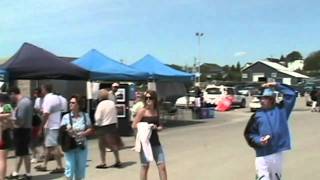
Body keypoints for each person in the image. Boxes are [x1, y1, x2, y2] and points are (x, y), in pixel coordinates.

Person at [244, 82, 297, 180]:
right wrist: (259, 140)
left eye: (264, 98)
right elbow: (249, 134)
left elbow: (291, 94)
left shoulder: (282, 110)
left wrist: (276, 85)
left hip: (277, 153)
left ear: (272, 99)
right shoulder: (256, 116)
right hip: (262, 155)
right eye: (260, 98)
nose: (261, 101)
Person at [132, 90, 168, 180]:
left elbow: (160, 126)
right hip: (144, 142)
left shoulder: (156, 111)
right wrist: (146, 126)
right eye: (146, 98)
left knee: (162, 166)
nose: (148, 100)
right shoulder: (142, 111)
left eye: (150, 98)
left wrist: (157, 128)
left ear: (154, 99)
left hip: (155, 142)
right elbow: (134, 125)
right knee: (145, 166)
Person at [61, 95, 93, 180]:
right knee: (70, 168)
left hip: (82, 146)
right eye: (70, 102)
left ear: (78, 104)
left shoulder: (85, 116)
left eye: (73, 102)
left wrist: (83, 133)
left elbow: (90, 128)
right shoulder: (66, 117)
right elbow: (61, 130)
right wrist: (68, 131)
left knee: (80, 170)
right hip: (70, 146)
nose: (70, 104)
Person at [35, 84, 64, 174]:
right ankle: (44, 165)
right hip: (56, 123)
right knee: (48, 146)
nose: (41, 91)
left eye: (42, 89)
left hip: (50, 125)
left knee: (53, 147)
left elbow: (46, 114)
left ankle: (60, 166)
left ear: (44, 89)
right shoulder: (57, 98)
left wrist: (41, 128)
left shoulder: (47, 99)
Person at [8, 87, 33, 180]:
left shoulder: (22, 103)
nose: (11, 98)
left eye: (10, 96)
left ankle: (26, 174)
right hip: (26, 129)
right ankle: (19, 173)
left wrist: (11, 120)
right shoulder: (28, 101)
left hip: (21, 130)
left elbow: (20, 121)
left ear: (13, 93)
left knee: (22, 153)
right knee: (23, 152)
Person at [94, 89, 123, 169]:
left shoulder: (100, 105)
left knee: (101, 145)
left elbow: (98, 117)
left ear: (100, 96)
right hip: (112, 125)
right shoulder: (112, 103)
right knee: (114, 144)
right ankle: (117, 160)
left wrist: (96, 124)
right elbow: (115, 114)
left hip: (103, 127)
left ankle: (103, 162)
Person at [0, 94, 13, 180]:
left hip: (3, 134)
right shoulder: (7, 108)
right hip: (3, 135)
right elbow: (11, 125)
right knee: (2, 160)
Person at [31, 88, 44, 164]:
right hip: (36, 121)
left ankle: (39, 156)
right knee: (35, 140)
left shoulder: (43, 99)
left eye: (36, 93)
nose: (35, 95)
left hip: (39, 121)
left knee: (37, 140)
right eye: (34, 93)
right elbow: (36, 110)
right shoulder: (36, 100)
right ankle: (37, 156)